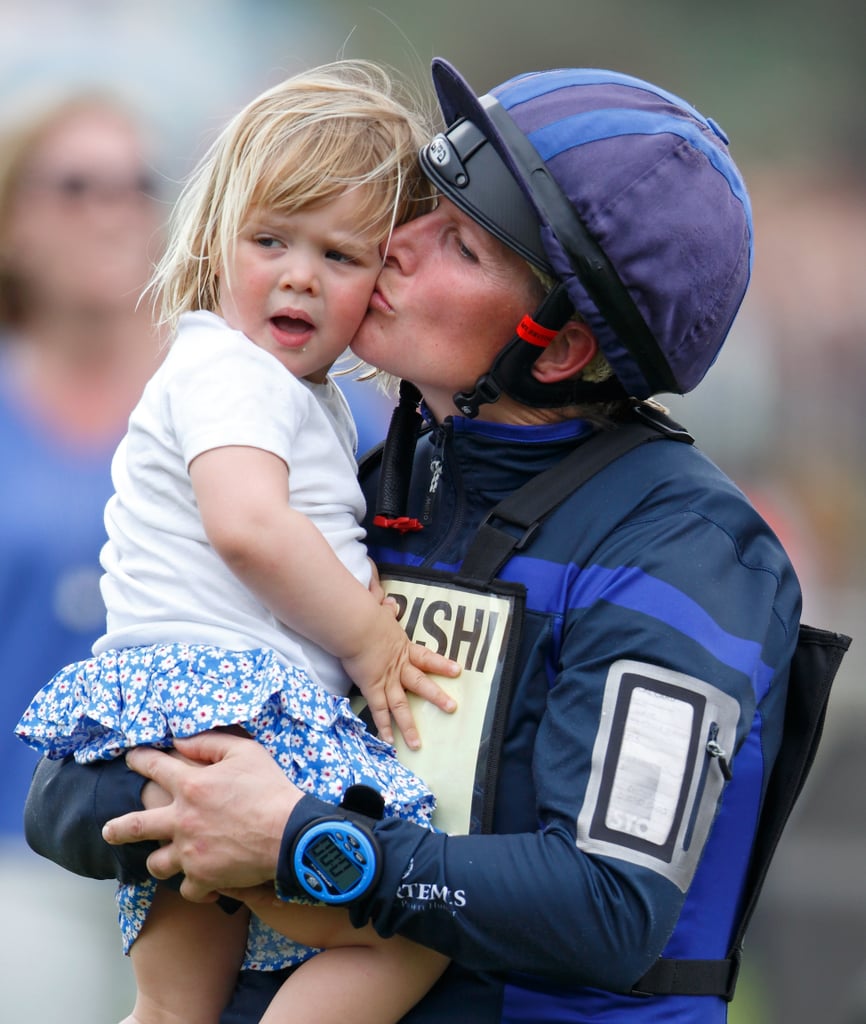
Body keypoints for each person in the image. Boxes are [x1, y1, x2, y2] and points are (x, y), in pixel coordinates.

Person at [24, 59, 804, 1024]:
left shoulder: (684, 548)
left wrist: (305, 842)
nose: (395, 243)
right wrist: (183, 798)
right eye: (426, 206)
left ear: (556, 347)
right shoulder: (367, 477)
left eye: (462, 246)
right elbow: (64, 803)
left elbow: (611, 908)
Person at [16, 61, 459, 1024]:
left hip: (191, 712)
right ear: (217, 240)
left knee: (176, 1005)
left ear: (382, 282)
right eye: (271, 240)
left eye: (341, 258)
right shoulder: (235, 369)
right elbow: (251, 527)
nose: (300, 273)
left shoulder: (281, 389)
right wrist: (370, 638)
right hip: (232, 715)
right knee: (413, 923)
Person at [0, 88, 165, 1021]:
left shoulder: (232, 396)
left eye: (134, 186)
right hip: (18, 868)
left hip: (216, 867)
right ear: (13, 222)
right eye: (75, 187)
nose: (111, 212)